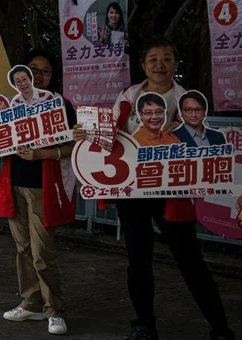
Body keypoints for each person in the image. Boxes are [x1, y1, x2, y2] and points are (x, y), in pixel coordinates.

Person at [77, 36, 234, 340]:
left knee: (190, 259)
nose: (160, 65)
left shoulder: (188, 98)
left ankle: (220, 328)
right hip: (133, 188)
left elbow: (203, 141)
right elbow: (111, 134)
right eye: (153, 59)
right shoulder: (128, 95)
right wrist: (86, 133)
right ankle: (144, 326)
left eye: (166, 58)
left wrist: (184, 132)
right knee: (138, 258)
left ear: (175, 64)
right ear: (143, 65)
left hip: (171, 189)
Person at [0, 50, 75, 336]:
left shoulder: (60, 105)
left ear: (53, 76)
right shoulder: (12, 104)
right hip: (14, 183)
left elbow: (71, 146)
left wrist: (44, 153)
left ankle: (55, 310)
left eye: (45, 71)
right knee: (23, 248)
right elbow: (2, 140)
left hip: (43, 186)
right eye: (33, 69)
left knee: (43, 251)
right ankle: (31, 302)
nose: (38, 75)